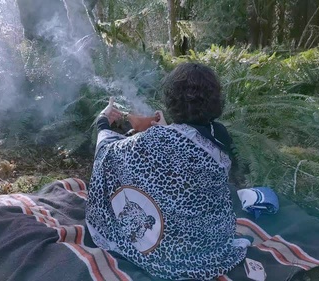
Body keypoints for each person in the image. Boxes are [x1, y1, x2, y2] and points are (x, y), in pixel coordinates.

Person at [85, 62, 248, 280]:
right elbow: (187, 153)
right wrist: (163, 128)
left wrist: (103, 123)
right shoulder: (220, 134)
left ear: (173, 100)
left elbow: (109, 153)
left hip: (164, 254)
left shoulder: (157, 139)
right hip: (211, 246)